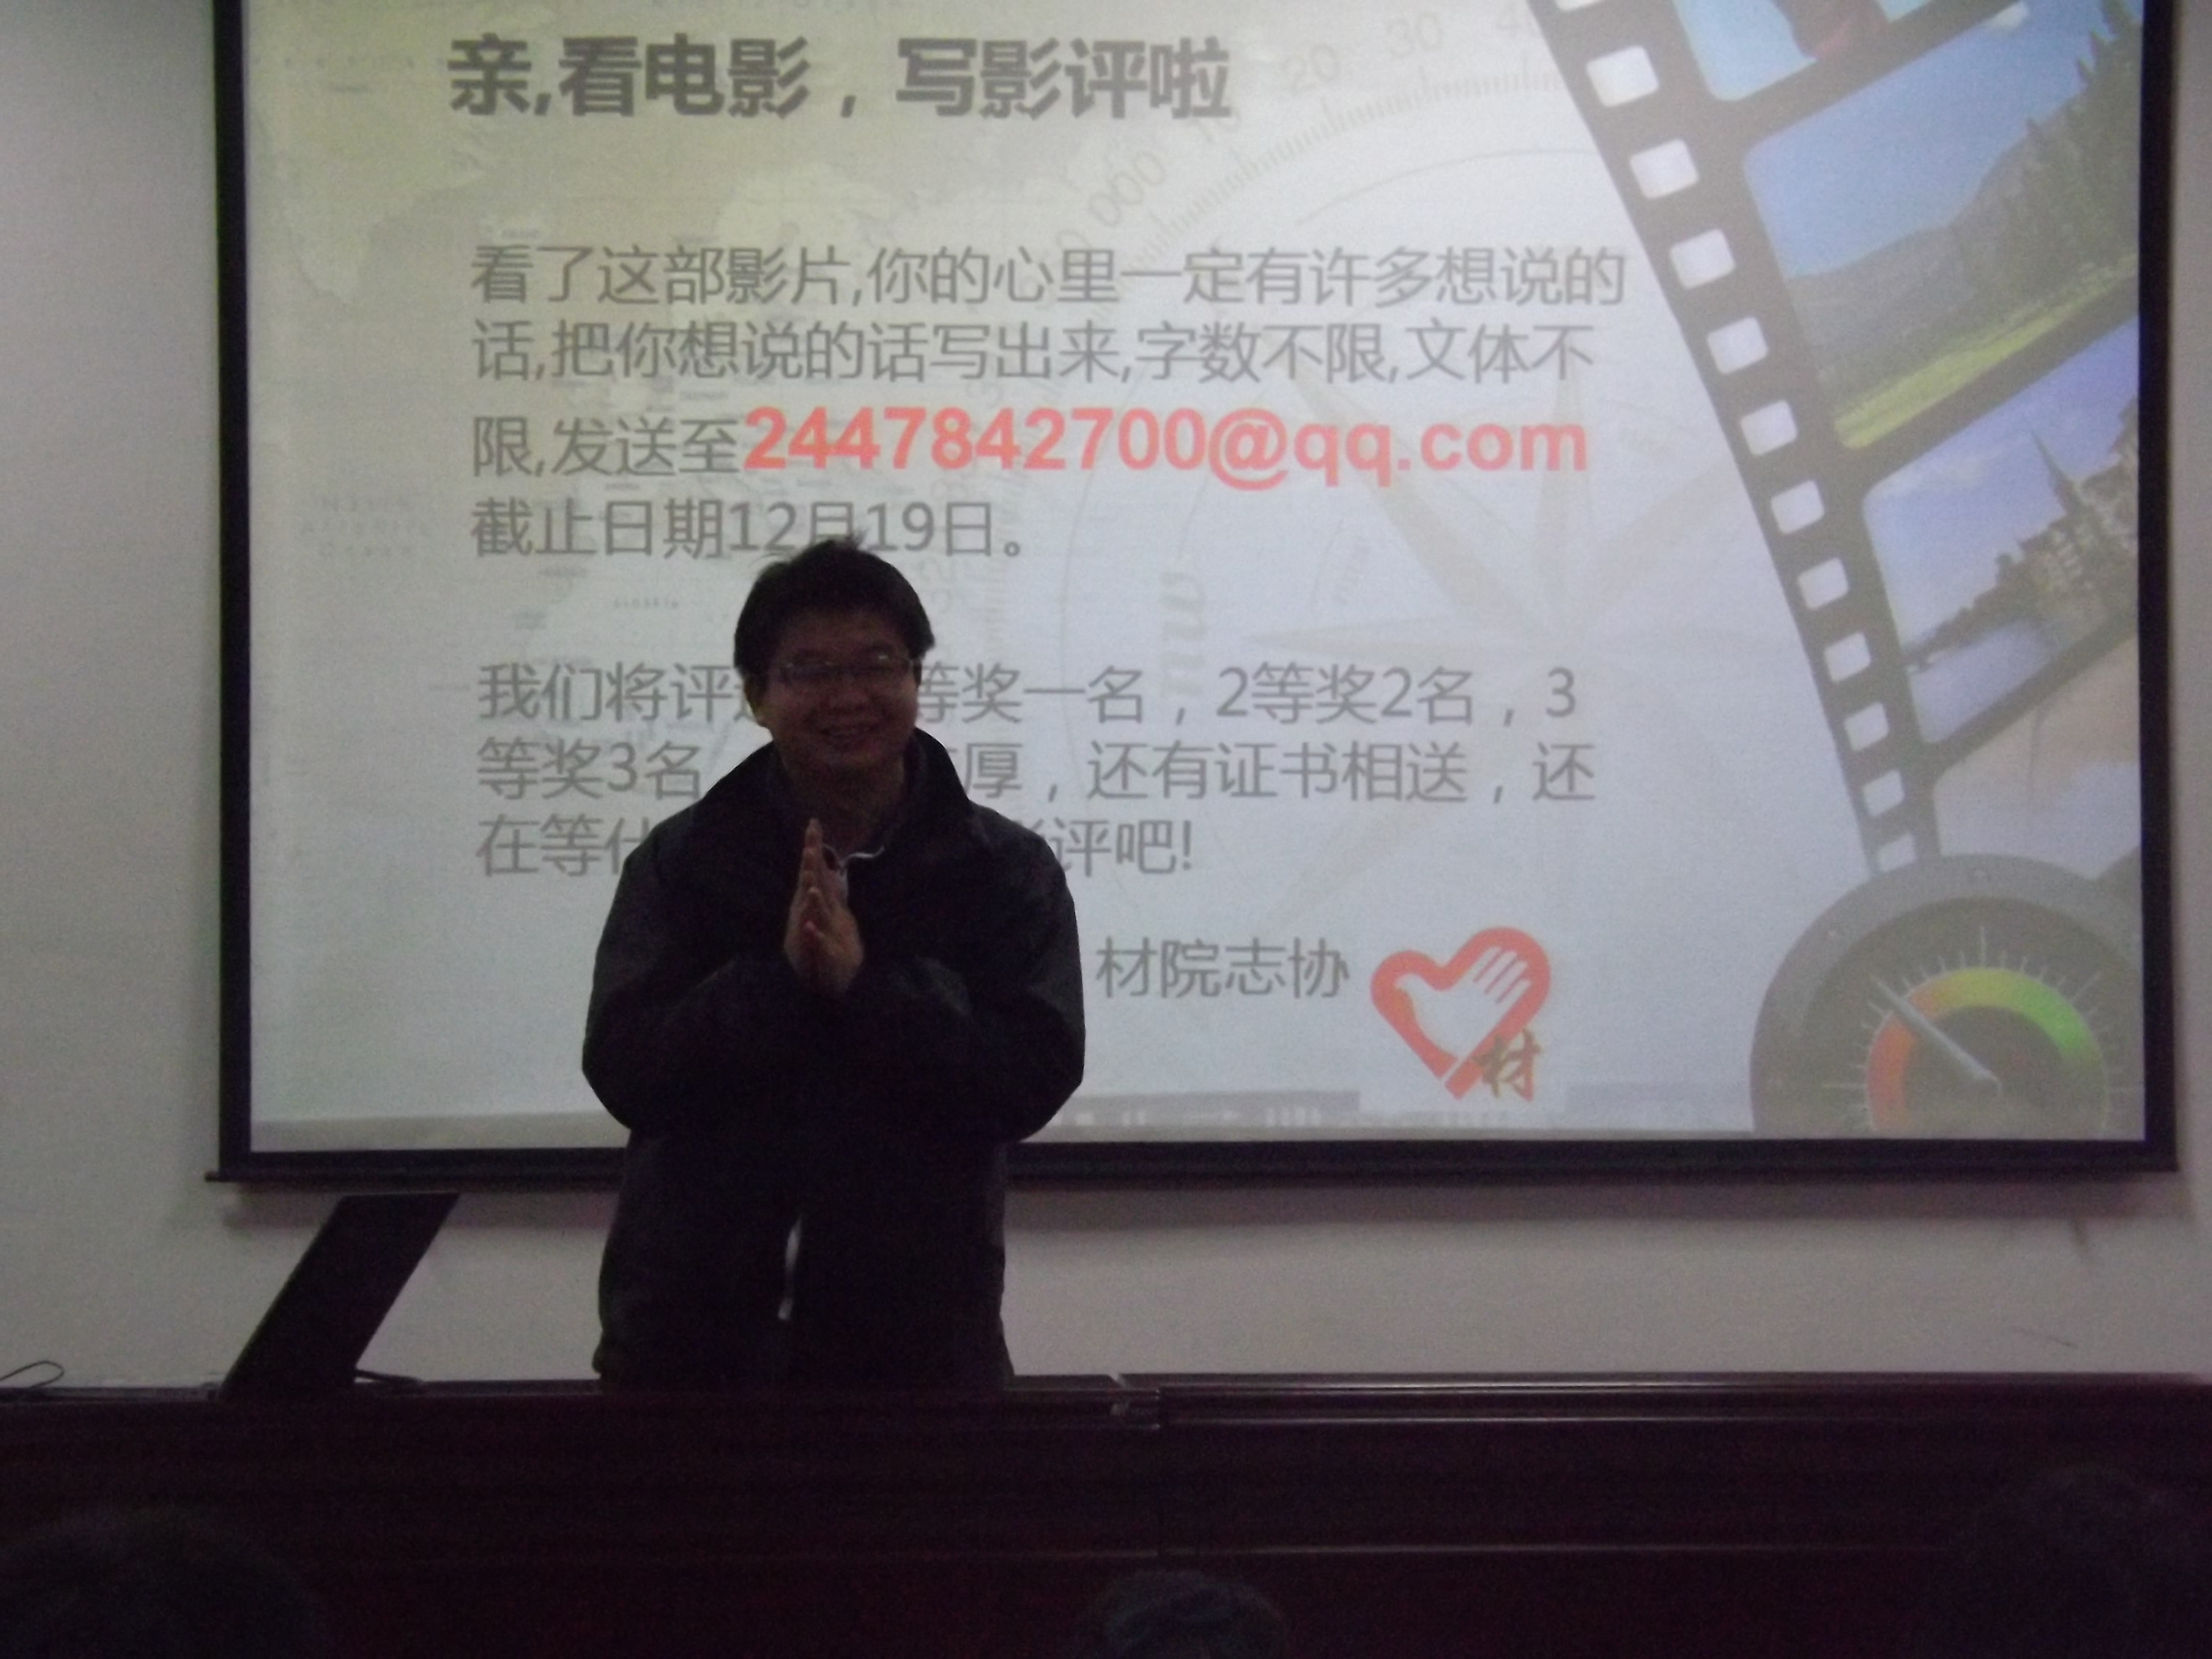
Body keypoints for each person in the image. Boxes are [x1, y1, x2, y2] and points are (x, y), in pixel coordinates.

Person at [584, 538, 1084, 1389]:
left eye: (877, 665)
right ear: (756, 695)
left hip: (920, 1358)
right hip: (689, 1354)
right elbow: (627, 1071)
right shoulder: (687, 861)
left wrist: (870, 991)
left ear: (916, 679)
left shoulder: (1001, 869)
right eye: (810, 671)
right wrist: (776, 982)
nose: (848, 697)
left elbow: (1030, 1077)